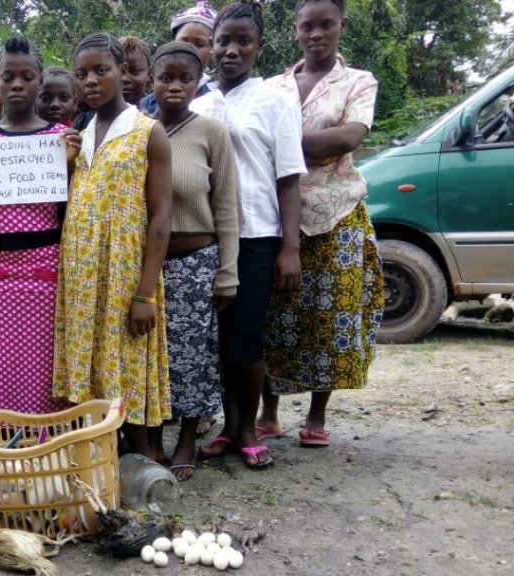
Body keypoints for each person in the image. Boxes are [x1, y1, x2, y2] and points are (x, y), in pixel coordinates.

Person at [260, 0, 384, 448]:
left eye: (326, 25)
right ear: (295, 29)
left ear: (342, 26)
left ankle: (316, 414)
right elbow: (266, 149)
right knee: (273, 313)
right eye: (307, 26)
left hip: (337, 215)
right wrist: (311, 146)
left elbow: (350, 137)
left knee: (330, 317)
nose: (316, 33)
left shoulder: (358, 81)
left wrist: (283, 144)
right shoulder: (273, 86)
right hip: (277, 217)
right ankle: (268, 412)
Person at [191, 0, 306, 469]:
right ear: (211, 47)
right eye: (223, 41)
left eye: (243, 41)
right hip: (208, 237)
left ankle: (248, 427)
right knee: (217, 338)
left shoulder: (276, 99)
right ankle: (227, 426)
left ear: (258, 46)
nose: (231, 50)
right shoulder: (200, 103)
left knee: (248, 335)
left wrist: (290, 248)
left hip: (258, 235)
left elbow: (289, 177)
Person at [54, 33, 173, 460]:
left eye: (100, 70)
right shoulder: (78, 136)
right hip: (82, 274)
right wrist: (64, 166)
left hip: (125, 275)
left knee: (126, 370)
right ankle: (97, 465)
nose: (90, 81)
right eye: (81, 73)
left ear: (122, 72)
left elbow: (160, 218)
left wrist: (145, 292)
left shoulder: (147, 132)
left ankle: (142, 464)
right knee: (90, 374)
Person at [0, 37, 81, 414]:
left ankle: (44, 445)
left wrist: (69, 165)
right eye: (8, 77)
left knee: (41, 358)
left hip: (45, 263)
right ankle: (1, 441)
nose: (17, 84)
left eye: (27, 76)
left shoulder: (58, 139)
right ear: (0, 80)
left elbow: (66, 208)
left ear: (40, 79)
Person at [152, 41, 240, 479]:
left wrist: (228, 271)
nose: (174, 85)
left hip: (196, 262)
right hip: (149, 264)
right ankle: (151, 439)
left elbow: (227, 204)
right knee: (150, 353)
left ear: (196, 83)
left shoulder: (211, 131)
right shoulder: (139, 131)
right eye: (165, 77)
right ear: (152, 81)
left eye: (184, 78)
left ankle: (187, 437)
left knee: (192, 355)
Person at [140, 0, 218, 116]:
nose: (190, 48)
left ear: (212, 50)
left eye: (199, 44)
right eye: (184, 41)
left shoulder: (215, 100)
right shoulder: (149, 103)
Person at [120, 36, 153, 110]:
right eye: (120, 71)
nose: (125, 79)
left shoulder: (151, 120)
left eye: (135, 71)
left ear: (149, 74)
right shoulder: (93, 118)